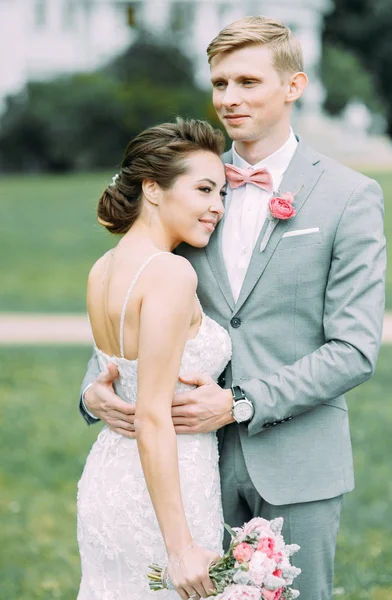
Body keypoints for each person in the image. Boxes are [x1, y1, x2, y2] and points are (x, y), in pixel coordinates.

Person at [80, 17, 386, 600]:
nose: (229, 99)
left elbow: (353, 350)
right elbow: (136, 292)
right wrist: (95, 385)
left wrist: (242, 403)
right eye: (220, 83)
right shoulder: (192, 185)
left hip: (298, 466)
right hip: (196, 469)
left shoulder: (350, 197)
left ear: (293, 86)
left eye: (247, 82)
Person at [76, 118, 232, 600]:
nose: (217, 208)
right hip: (165, 494)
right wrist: (182, 547)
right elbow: (152, 414)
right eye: (204, 189)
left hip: (110, 477)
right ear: (153, 189)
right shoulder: (170, 274)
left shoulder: (104, 267)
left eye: (222, 193)